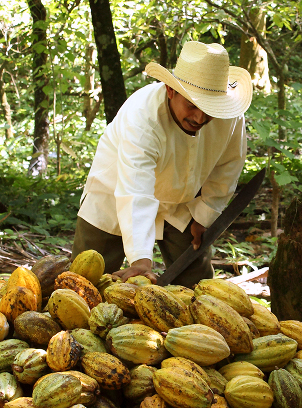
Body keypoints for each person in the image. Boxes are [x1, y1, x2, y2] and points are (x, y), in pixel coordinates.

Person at [71, 41, 253, 288]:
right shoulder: (143, 118)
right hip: (115, 195)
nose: (200, 117)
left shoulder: (228, 113)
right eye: (192, 105)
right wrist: (141, 260)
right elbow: (136, 191)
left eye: (209, 109)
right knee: (85, 284)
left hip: (182, 202)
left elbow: (229, 165)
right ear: (170, 90)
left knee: (197, 287)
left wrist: (205, 213)